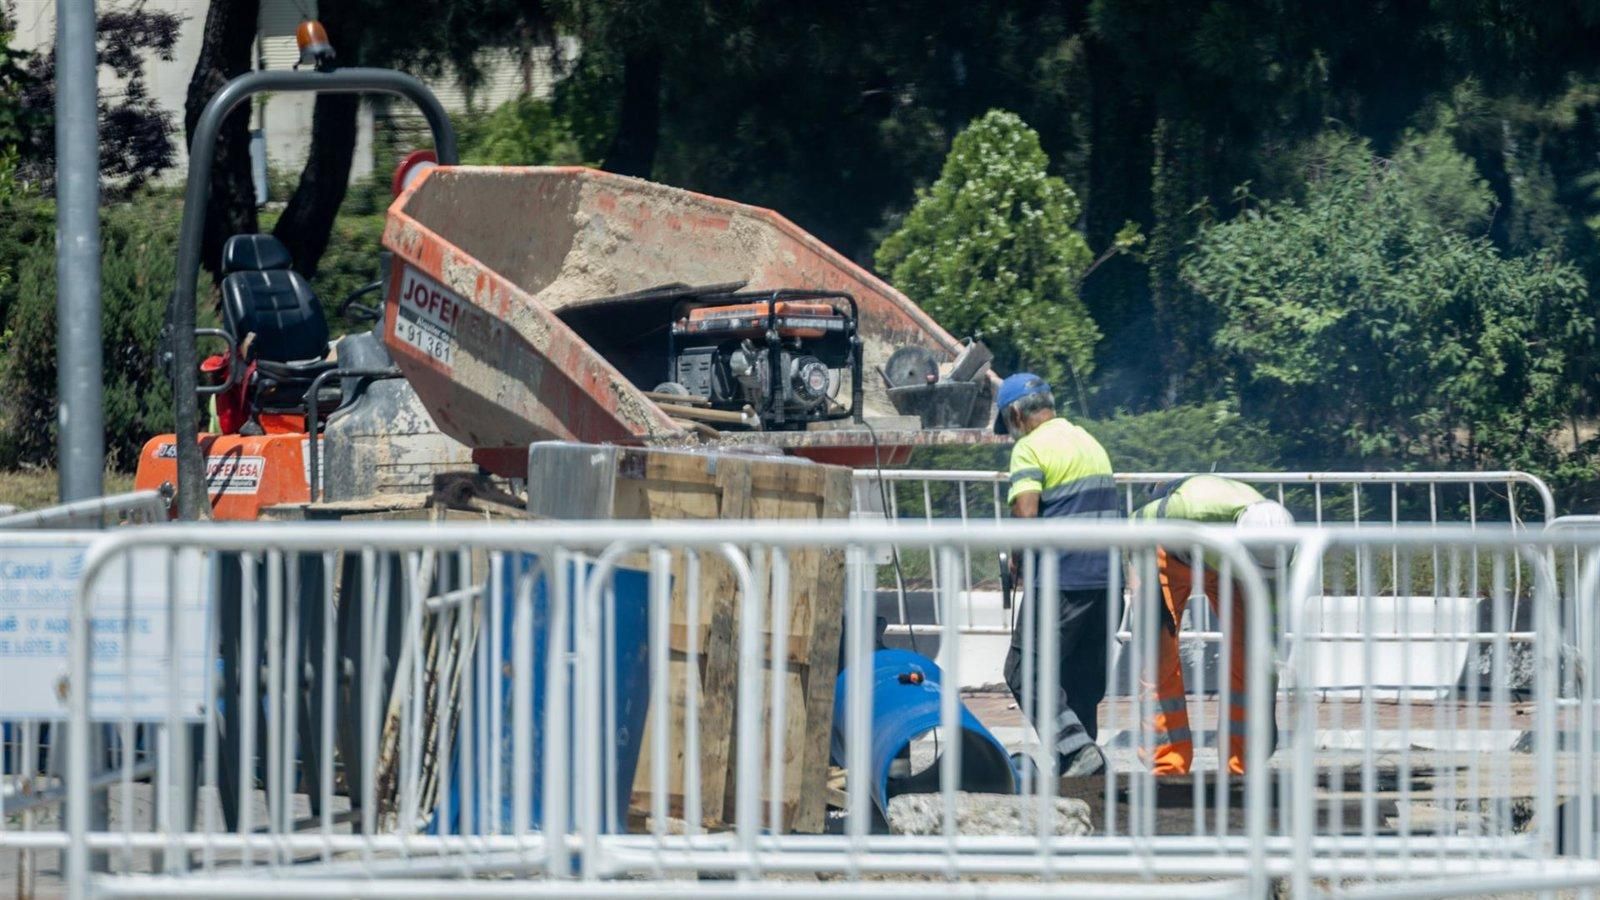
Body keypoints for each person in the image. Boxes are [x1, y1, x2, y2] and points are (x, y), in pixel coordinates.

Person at [996, 372, 1122, 777]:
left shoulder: (1030, 448)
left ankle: (1074, 749)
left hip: (1064, 578)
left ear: (1015, 413)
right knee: (1078, 679)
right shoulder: (1087, 441)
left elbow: (1027, 515)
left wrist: (1016, 560)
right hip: (1108, 580)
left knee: (1024, 669)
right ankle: (1083, 772)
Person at [1132, 475, 1293, 776]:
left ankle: (1241, 767)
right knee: (1159, 658)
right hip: (1169, 552)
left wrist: (1267, 688)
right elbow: (1135, 523)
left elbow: (1268, 639)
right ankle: (1166, 767)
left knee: (1251, 661)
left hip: (1230, 567)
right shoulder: (1191, 508)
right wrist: (1142, 583)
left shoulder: (1283, 555)